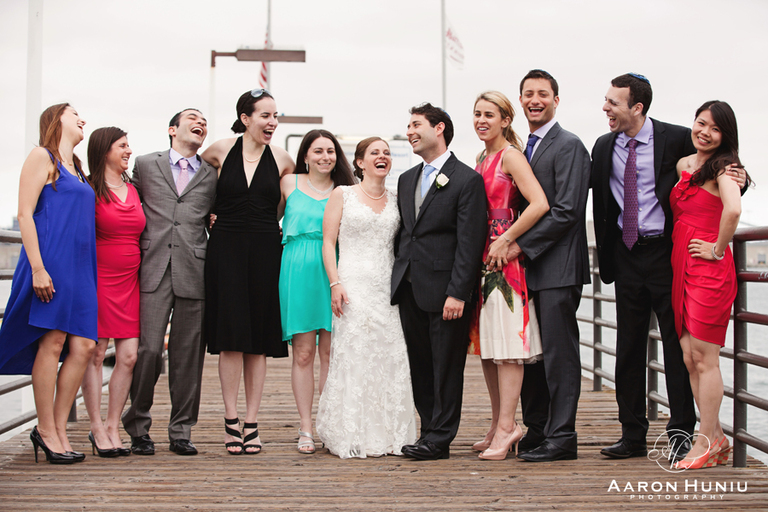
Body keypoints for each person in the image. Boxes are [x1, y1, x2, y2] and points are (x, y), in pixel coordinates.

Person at [592, 74, 743, 462]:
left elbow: (717, 171)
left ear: (637, 107)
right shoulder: (603, 146)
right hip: (625, 257)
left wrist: (739, 180)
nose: (606, 108)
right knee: (627, 348)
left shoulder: (676, 138)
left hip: (667, 256)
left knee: (679, 349)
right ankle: (632, 435)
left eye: (613, 102)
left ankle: (680, 433)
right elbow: (600, 201)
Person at [501, 70, 592, 462]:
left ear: (556, 99)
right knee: (532, 356)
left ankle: (563, 436)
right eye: (527, 94)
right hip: (526, 272)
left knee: (559, 355)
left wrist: (519, 245)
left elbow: (568, 211)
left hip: (557, 267)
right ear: (520, 101)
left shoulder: (569, 145)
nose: (534, 100)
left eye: (542, 94)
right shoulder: (525, 149)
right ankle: (537, 430)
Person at [0, 103, 97, 464]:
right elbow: (25, 213)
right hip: (50, 262)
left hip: (82, 268)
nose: (82, 119)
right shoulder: (42, 157)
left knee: (85, 346)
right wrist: (38, 269)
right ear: (57, 120)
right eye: (75, 114)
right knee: (53, 341)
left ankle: (57, 426)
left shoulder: (79, 170)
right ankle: (46, 429)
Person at [392, 103, 487, 460]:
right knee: (420, 365)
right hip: (410, 288)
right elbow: (405, 234)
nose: (410, 132)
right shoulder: (405, 180)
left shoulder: (467, 179)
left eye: (416, 125)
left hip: (447, 292)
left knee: (446, 367)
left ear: (440, 128)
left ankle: (440, 437)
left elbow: (470, 241)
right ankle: (428, 429)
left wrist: (458, 293)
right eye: (408, 125)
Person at [201, 89, 294, 455]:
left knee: (258, 342)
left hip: (266, 250)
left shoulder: (284, 159)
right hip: (225, 249)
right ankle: (230, 419)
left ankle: (252, 423)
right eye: (265, 115)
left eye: (275, 116)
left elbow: (285, 208)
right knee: (231, 339)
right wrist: (207, 217)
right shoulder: (218, 151)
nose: (272, 122)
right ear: (245, 118)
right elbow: (196, 190)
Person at [121, 108, 217, 456]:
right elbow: (125, 198)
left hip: (195, 270)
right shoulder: (146, 164)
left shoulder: (211, 174)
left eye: (205, 121)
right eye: (193, 118)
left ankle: (181, 430)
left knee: (188, 355)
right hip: (153, 265)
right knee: (147, 350)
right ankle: (138, 427)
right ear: (172, 129)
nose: (201, 123)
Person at [316, 137, 417, 458]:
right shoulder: (342, 195)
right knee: (355, 353)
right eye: (375, 153)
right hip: (352, 286)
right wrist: (335, 284)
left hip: (388, 289)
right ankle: (349, 431)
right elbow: (327, 242)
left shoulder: (399, 199)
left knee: (390, 354)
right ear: (360, 162)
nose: (382, 157)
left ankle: (389, 433)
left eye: (387, 153)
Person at [468, 91, 549, 461]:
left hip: (505, 260)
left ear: (505, 120)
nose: (481, 120)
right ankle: (498, 422)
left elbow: (540, 203)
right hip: (481, 259)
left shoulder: (510, 157)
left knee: (508, 350)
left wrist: (508, 238)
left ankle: (508, 427)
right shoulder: (480, 158)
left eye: (489, 114)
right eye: (477, 114)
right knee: (488, 346)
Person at [670, 101, 748, 469]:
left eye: (714, 128)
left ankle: (703, 442)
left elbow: (732, 210)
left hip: (708, 269)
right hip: (681, 266)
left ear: (725, 136)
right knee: (689, 357)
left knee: (705, 357)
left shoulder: (726, 168)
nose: (704, 131)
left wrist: (718, 249)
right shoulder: (685, 164)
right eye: (700, 123)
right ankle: (716, 438)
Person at [280, 129, 355, 454]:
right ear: (306, 155)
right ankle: (306, 428)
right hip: (297, 269)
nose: (325, 157)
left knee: (331, 353)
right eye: (318, 151)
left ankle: (327, 424)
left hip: (335, 269)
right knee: (303, 353)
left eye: (330, 151)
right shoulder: (288, 183)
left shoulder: (348, 191)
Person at [80, 127, 145, 458]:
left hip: (131, 283)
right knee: (95, 353)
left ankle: (112, 424)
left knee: (129, 356)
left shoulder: (134, 189)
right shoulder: (88, 190)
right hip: (99, 282)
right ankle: (95, 427)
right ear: (105, 150)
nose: (128, 150)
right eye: (122, 146)